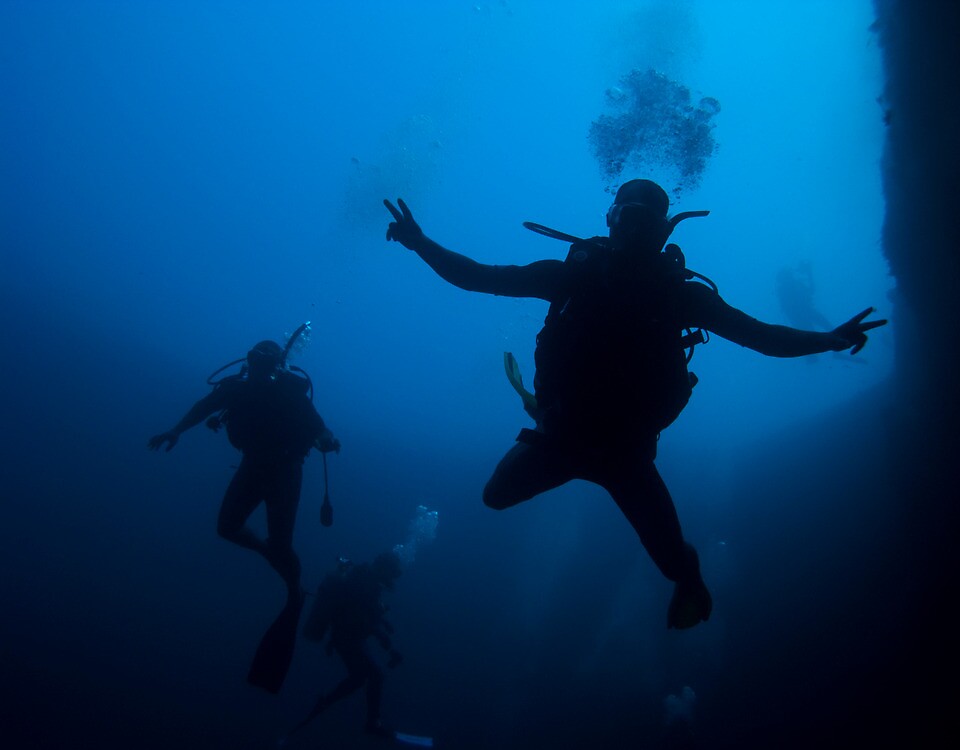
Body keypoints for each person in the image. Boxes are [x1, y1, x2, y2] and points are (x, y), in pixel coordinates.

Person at [384, 179, 886, 630]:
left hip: (626, 456)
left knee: (675, 565)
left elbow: (762, 337)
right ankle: (543, 415)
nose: (635, 229)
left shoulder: (681, 296)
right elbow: (479, 277)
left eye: (646, 221)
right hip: (561, 437)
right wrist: (419, 242)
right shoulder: (572, 277)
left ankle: (691, 582)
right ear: (610, 220)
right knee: (493, 497)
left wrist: (828, 339)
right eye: (628, 217)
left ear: (665, 230)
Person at [148, 334, 340, 691]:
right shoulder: (235, 388)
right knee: (228, 528)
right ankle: (277, 561)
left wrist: (327, 438)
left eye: (267, 359)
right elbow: (203, 407)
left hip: (285, 470)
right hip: (253, 466)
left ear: (277, 364)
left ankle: (292, 584)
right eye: (255, 357)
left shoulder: (290, 392)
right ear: (248, 359)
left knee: (281, 543)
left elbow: (318, 425)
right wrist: (175, 430)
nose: (259, 363)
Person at [292, 552, 406, 740]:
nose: (392, 577)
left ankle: (326, 702)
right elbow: (358, 618)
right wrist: (384, 638)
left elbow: (367, 612)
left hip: (348, 637)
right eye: (392, 571)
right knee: (375, 676)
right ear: (383, 568)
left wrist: (382, 627)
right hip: (346, 638)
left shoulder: (367, 581)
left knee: (359, 678)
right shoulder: (365, 582)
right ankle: (372, 723)